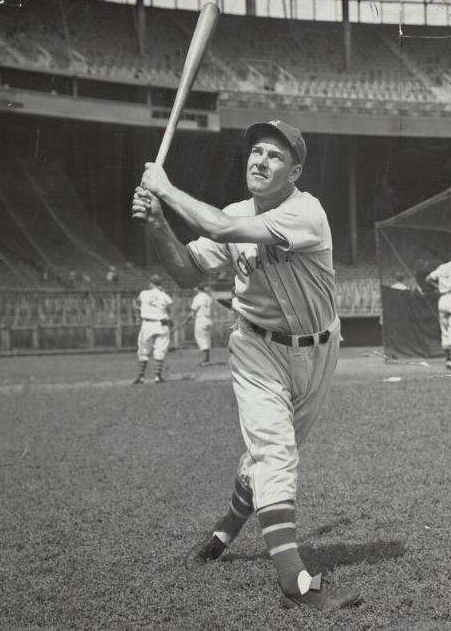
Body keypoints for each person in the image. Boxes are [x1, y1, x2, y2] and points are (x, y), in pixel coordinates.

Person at [132, 119, 361, 609]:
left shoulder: (305, 212)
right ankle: (295, 582)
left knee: (264, 458)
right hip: (256, 348)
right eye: (256, 151)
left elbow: (219, 226)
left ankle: (223, 532)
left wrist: (165, 189)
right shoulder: (234, 212)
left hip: (320, 348)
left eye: (275, 156)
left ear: (294, 171)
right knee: (277, 455)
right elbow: (186, 273)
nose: (260, 161)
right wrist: (156, 223)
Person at [133, 274, 173, 384]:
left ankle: (141, 377)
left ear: (151, 283)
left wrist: (140, 310)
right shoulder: (163, 295)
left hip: (147, 323)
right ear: (160, 285)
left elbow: (136, 303)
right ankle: (157, 376)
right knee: (160, 350)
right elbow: (169, 305)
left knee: (143, 350)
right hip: (161, 323)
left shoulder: (144, 293)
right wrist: (162, 292)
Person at [186, 283, 214, 366]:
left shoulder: (197, 297)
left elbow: (192, 312)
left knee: (201, 339)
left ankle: (205, 361)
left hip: (201, 319)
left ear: (197, 289)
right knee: (207, 339)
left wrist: (187, 320)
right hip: (208, 319)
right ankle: (207, 360)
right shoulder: (208, 297)